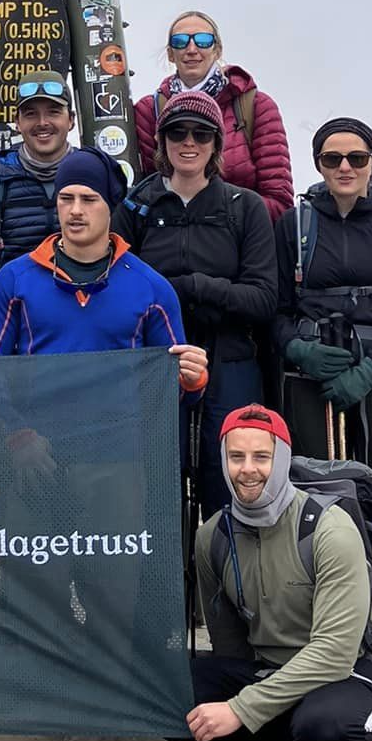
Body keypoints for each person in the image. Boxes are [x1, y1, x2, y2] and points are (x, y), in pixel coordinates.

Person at [0, 146, 209, 741]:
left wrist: (192, 376)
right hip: (33, 468)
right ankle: (32, 735)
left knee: (110, 609)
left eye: (89, 201)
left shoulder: (149, 288)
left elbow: (178, 373)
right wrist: (17, 436)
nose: (74, 212)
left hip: (115, 469)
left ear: (112, 209)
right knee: (35, 602)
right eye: (66, 201)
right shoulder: (17, 279)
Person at [174, 404, 372, 741]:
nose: (247, 470)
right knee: (163, 689)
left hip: (346, 676)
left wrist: (242, 709)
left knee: (329, 726)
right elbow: (230, 643)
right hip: (270, 672)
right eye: (236, 457)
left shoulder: (328, 529)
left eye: (261, 457)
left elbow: (334, 653)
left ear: (283, 460)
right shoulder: (213, 536)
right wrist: (235, 698)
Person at [115, 90, 276, 524]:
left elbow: (263, 299)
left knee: (227, 492)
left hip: (230, 361)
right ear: (161, 141)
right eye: (177, 132)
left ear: (216, 145)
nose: (189, 142)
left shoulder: (246, 208)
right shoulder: (136, 206)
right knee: (154, 493)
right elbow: (115, 293)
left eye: (202, 134)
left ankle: (226, 591)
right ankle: (163, 591)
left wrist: (193, 287)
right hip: (155, 365)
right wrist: (201, 293)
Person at [273, 117, 372, 513]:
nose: (346, 168)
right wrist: (297, 349)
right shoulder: (294, 226)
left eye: (357, 158)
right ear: (319, 164)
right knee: (321, 506)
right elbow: (273, 307)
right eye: (333, 158)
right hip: (311, 376)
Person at [132, 10, 293, 220]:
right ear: (171, 53)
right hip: (171, 241)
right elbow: (145, 192)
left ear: (217, 50)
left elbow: (279, 202)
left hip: (240, 243)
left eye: (203, 40)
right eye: (180, 41)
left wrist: (217, 215)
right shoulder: (149, 110)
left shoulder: (254, 106)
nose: (192, 49)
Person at [0, 75, 75, 283]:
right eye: (31, 114)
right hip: (13, 312)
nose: (42, 123)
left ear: (71, 120)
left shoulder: (96, 181)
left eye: (54, 112)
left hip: (83, 310)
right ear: (17, 122)